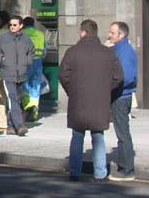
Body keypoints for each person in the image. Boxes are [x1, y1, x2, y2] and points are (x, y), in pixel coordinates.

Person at [59, 19, 123, 181]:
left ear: (82, 32)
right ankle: (100, 172)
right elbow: (118, 77)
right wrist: (105, 89)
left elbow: (63, 75)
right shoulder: (108, 52)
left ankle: (74, 171)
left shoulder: (72, 52)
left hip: (78, 101)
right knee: (98, 136)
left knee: (77, 136)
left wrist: (71, 90)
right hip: (99, 102)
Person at [0, 15, 32, 136]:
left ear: (20, 26)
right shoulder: (3, 38)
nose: (12, 27)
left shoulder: (26, 39)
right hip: (8, 73)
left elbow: (31, 52)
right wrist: (2, 59)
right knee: (12, 98)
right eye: (10, 25)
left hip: (21, 74)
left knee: (16, 99)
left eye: (15, 25)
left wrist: (27, 62)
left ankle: (10, 126)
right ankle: (19, 126)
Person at [107, 21, 137, 181]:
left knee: (122, 133)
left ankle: (127, 169)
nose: (109, 35)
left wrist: (111, 87)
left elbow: (127, 77)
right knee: (121, 132)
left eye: (112, 33)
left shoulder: (124, 51)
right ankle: (124, 166)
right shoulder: (119, 49)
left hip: (121, 96)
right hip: (121, 95)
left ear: (121, 35)